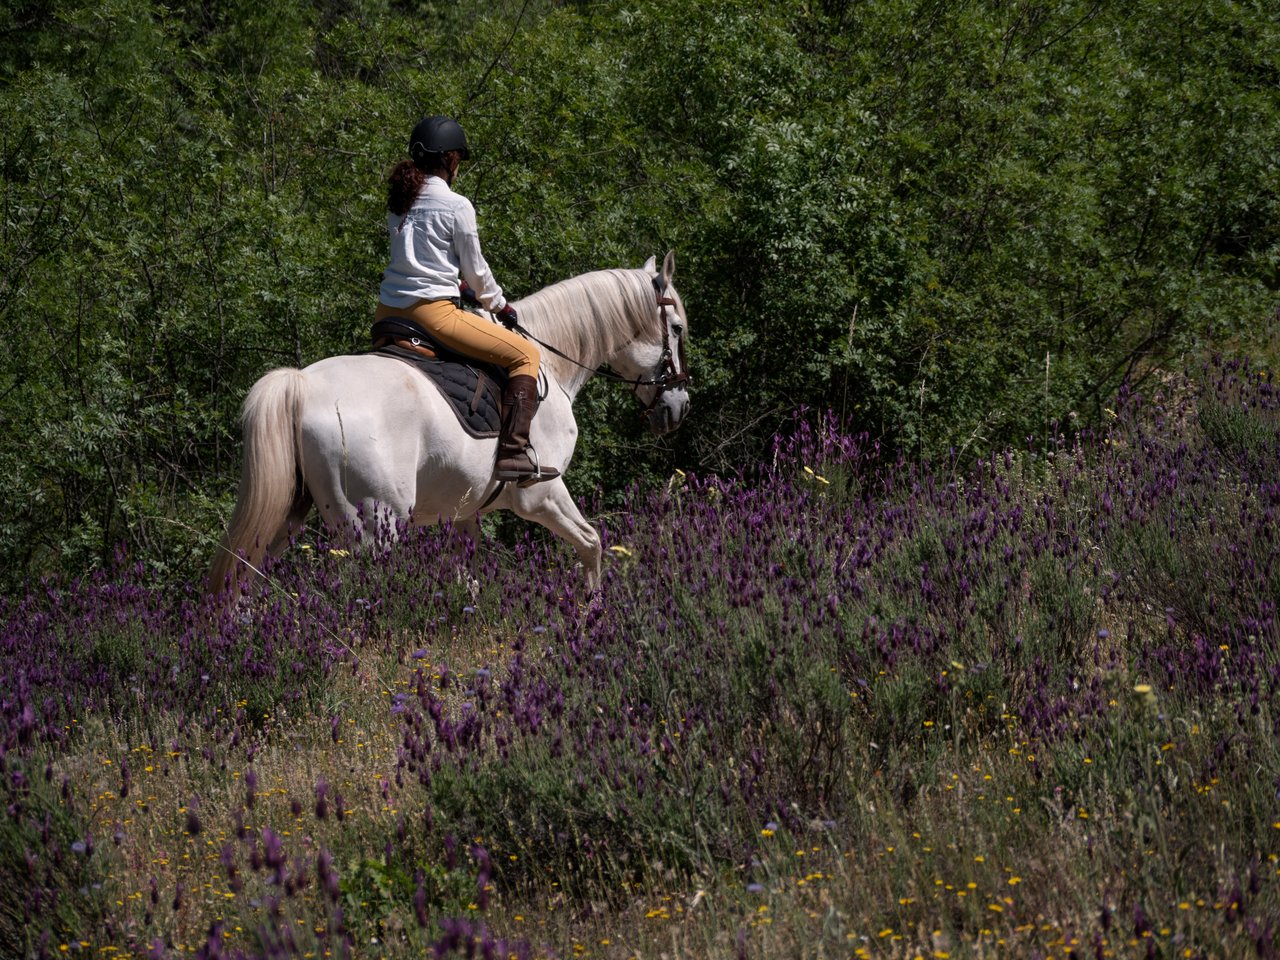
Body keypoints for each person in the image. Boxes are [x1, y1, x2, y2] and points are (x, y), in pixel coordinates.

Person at [376, 115, 558, 486]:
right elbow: (477, 272)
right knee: (527, 356)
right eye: (459, 157)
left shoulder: (400, 203)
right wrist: (499, 305)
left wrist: (457, 285)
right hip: (434, 316)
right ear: (451, 159)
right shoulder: (457, 205)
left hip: (387, 314)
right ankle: (513, 454)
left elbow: (418, 261)